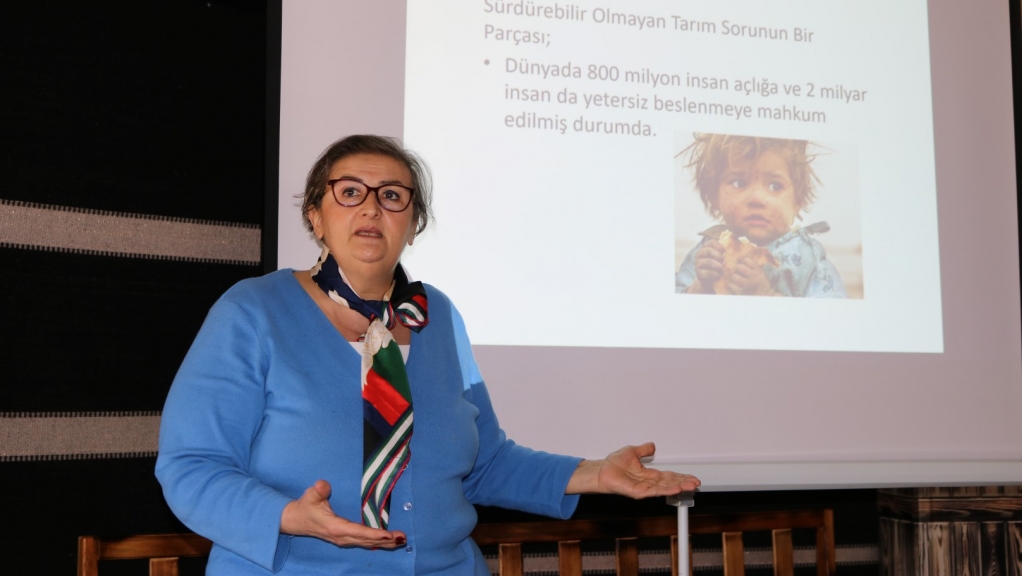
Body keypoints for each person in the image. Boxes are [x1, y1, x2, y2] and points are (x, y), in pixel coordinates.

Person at [156, 134, 700, 575]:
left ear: (414, 225)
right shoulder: (253, 312)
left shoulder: (435, 315)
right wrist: (287, 516)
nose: (372, 207)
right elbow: (191, 467)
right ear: (315, 216)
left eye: (393, 196)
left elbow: (484, 463)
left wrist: (596, 474)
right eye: (350, 192)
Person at [675, 133, 847, 298]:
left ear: (797, 201)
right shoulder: (709, 250)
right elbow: (673, 305)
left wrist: (765, 294)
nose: (757, 198)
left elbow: (831, 314)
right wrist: (701, 286)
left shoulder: (808, 257)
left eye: (775, 186)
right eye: (739, 183)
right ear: (714, 195)